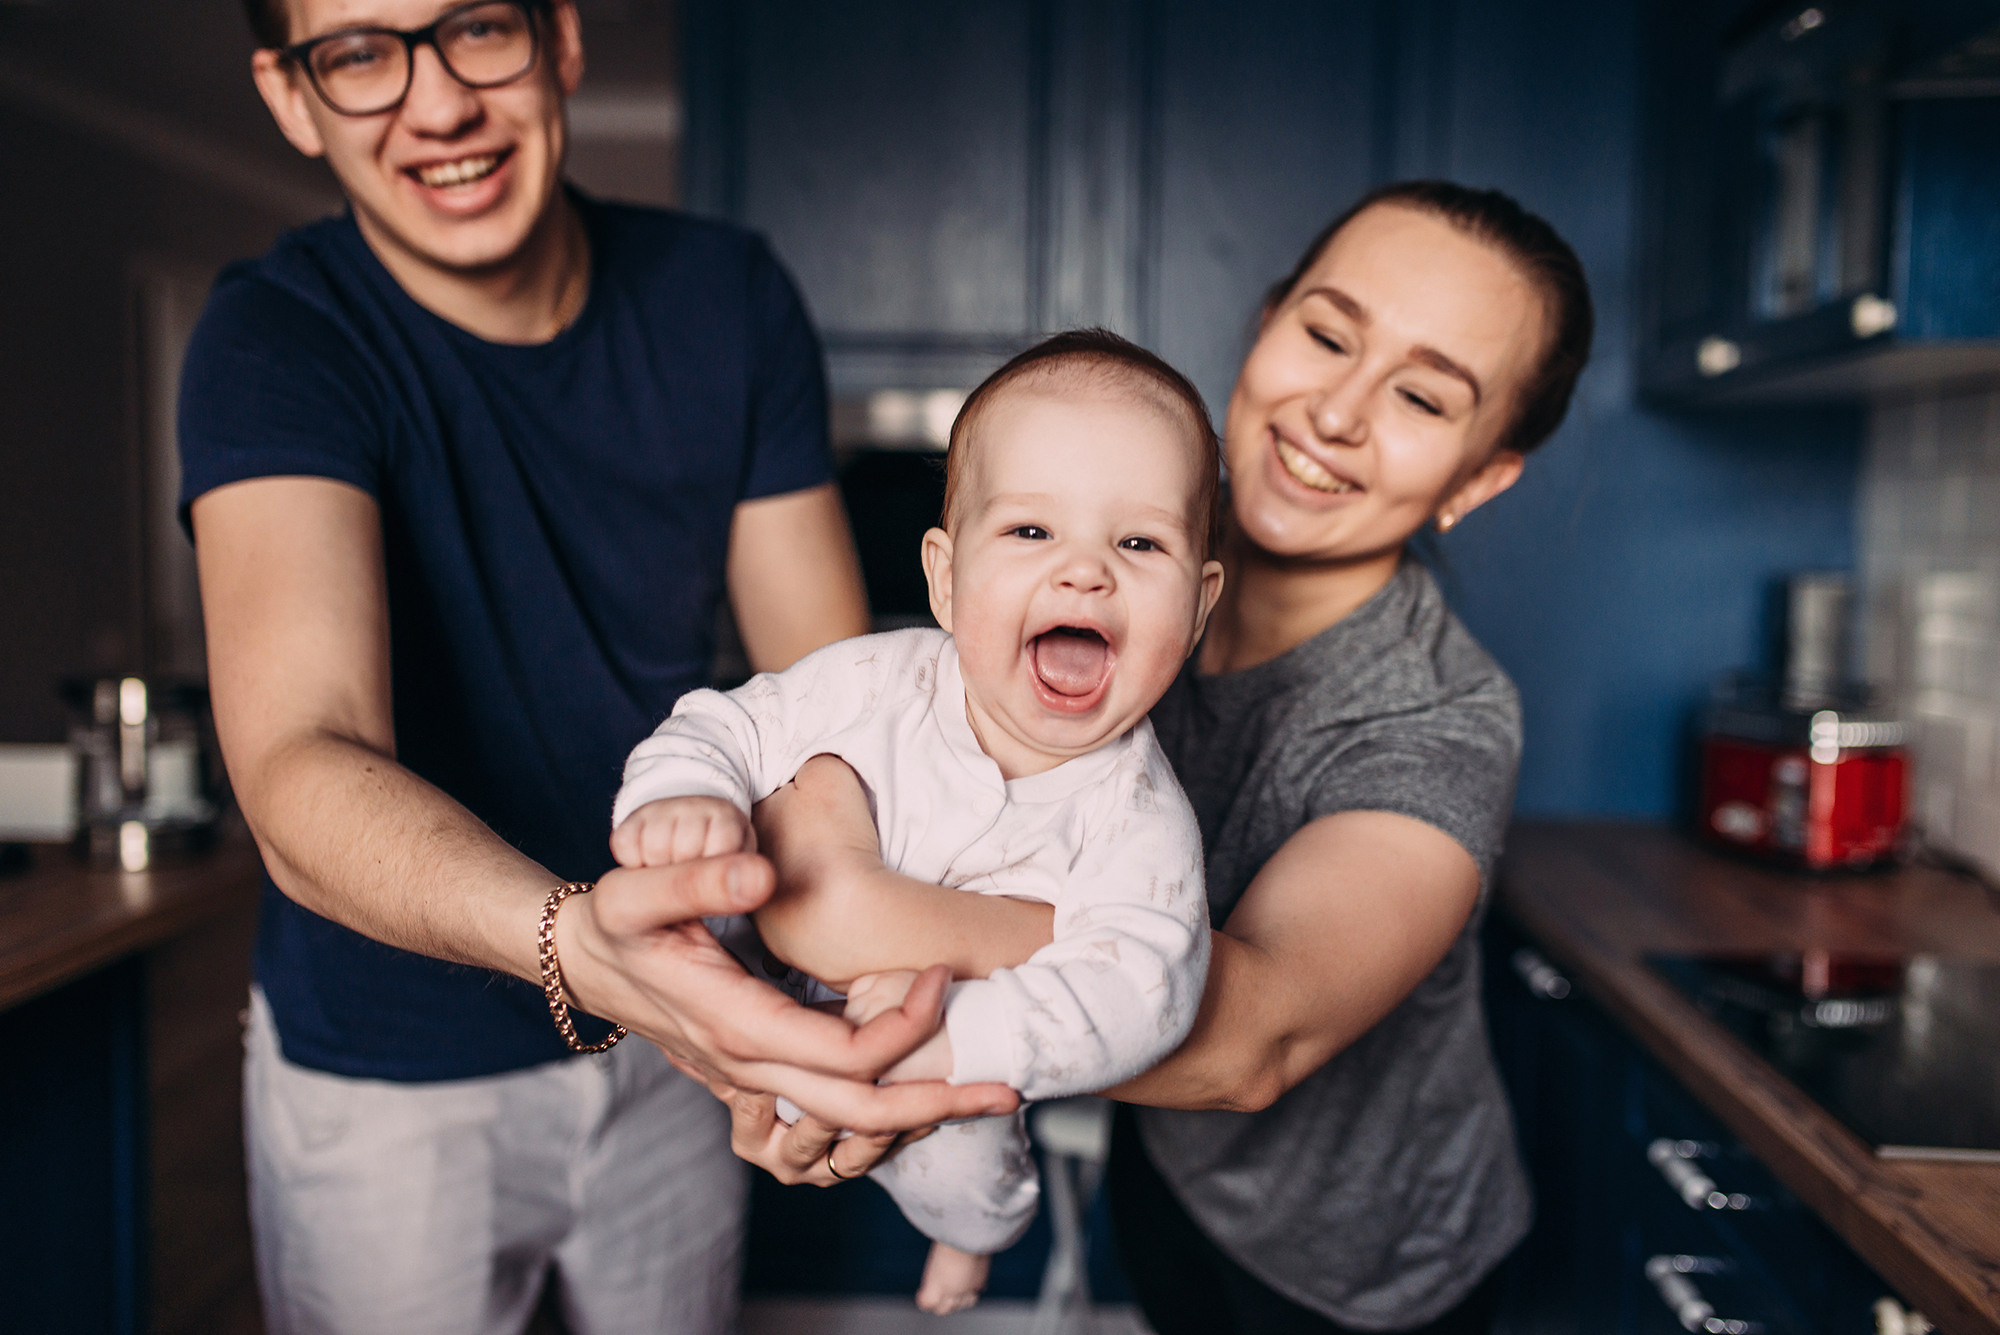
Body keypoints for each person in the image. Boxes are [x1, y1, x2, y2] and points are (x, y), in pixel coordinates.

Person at [181, 1, 1013, 1331]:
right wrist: (583, 947)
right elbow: (299, 753)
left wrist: (858, 981)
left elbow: (835, 710)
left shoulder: (728, 297)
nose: (438, 102)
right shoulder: (275, 336)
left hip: (687, 1022)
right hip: (392, 1069)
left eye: (473, 29)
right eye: (359, 52)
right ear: (291, 96)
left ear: (562, 38)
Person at [717, 180, 1595, 1335]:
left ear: (1478, 476)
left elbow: (1253, 1037)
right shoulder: (1109, 561)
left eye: (1421, 397)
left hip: (1361, 1262)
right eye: (1325, 335)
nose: (1334, 411)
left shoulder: (1438, 714)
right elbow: (877, 730)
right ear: (1265, 324)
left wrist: (853, 921)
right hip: (1167, 1173)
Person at [608, 331, 1223, 1314]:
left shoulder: (1139, 820)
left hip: (943, 1058)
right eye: (1030, 532)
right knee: (693, 915)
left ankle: (971, 1242)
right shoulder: (867, 683)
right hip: (748, 1003)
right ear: (942, 579)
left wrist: (947, 1040)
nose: (1084, 574)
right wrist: (682, 799)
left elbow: (1145, 986)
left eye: (1137, 542)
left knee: (963, 1168)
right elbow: (722, 726)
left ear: (1195, 610)